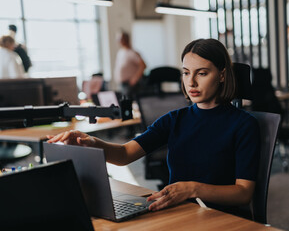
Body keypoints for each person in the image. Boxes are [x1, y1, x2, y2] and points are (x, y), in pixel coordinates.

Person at [47, 39, 260, 217]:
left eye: (202, 73)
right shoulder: (175, 119)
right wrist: (91, 142)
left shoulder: (243, 125)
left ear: (222, 75)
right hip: (181, 213)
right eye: (186, 73)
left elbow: (243, 193)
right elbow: (124, 154)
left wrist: (192, 188)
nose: (191, 82)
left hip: (223, 220)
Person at [114, 31, 146, 99]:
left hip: (130, 85)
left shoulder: (132, 53)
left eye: (120, 38)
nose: (118, 41)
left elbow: (143, 65)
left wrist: (135, 78)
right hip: (122, 84)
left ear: (126, 39)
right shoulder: (121, 52)